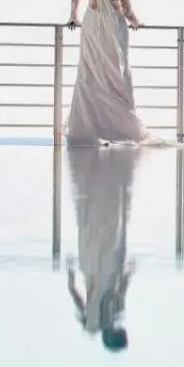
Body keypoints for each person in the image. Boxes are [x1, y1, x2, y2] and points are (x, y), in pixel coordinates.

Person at [65, 0, 156, 145]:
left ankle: (121, 130)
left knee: (117, 75)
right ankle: (88, 128)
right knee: (91, 72)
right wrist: (73, 15)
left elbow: (125, 6)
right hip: (94, 23)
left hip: (116, 26)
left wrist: (136, 21)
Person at [65, 144, 142, 352]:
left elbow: (78, 297)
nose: (116, 328)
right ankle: (105, 185)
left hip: (95, 268)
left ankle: (100, 185)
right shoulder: (114, 312)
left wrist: (70, 276)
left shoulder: (92, 324)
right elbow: (121, 289)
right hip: (105, 267)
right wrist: (129, 271)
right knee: (107, 230)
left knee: (99, 230)